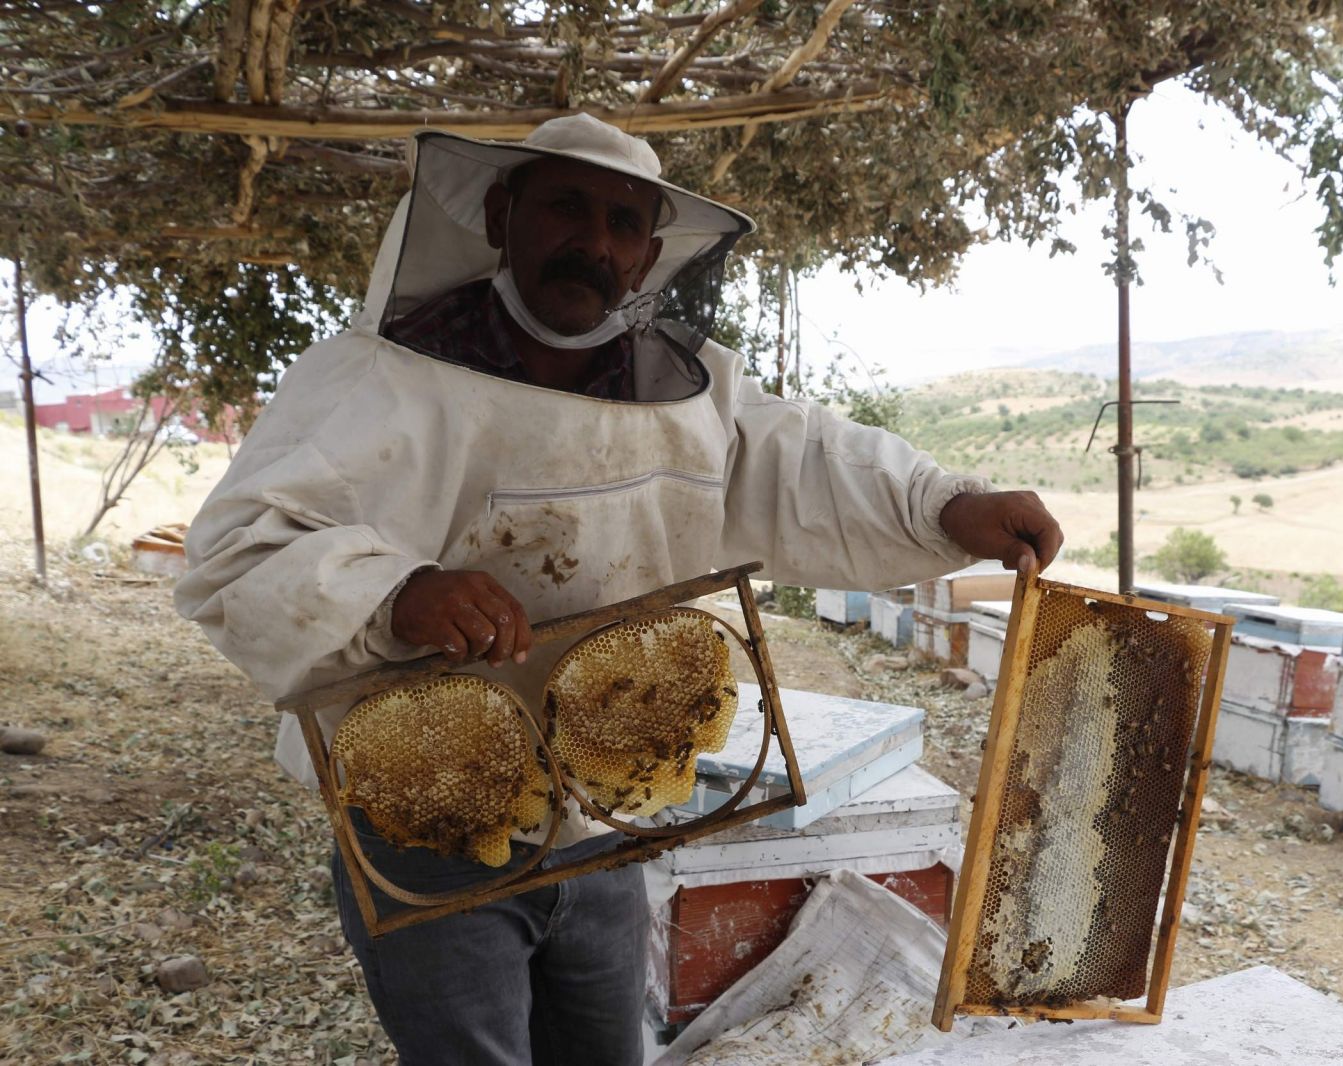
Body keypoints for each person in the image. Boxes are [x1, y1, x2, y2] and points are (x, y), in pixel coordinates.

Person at [176, 113, 1062, 1066]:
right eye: (565, 207)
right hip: (424, 810)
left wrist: (946, 508)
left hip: (602, 807)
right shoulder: (381, 375)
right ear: (500, 213)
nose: (593, 242)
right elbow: (238, 547)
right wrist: (399, 594)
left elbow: (805, 462)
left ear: (645, 258)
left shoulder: (685, 390)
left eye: (623, 223)